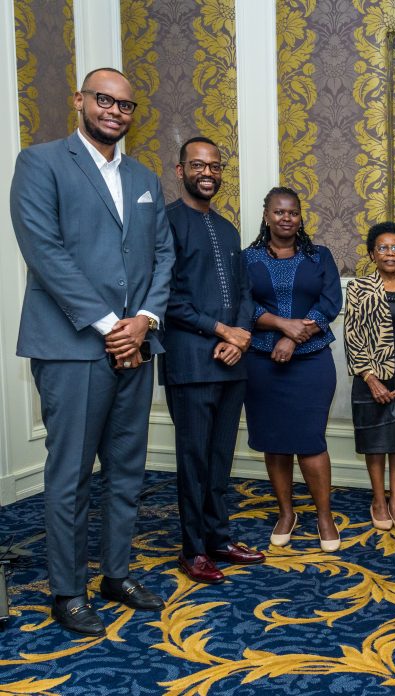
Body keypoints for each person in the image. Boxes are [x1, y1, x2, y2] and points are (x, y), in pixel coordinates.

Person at [10, 67, 174, 635]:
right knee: (72, 474)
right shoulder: (41, 162)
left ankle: (116, 574)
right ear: (79, 99)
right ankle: (67, 589)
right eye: (105, 100)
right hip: (73, 348)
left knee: (127, 471)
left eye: (126, 106)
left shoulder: (145, 176)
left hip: (137, 344)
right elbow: (46, 252)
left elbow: (162, 257)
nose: (115, 112)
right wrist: (112, 326)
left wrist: (145, 321)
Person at [161, 137, 265, 585]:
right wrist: (221, 331)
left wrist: (239, 338)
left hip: (232, 361)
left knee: (222, 457)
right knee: (194, 460)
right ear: (180, 170)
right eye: (199, 165)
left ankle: (219, 538)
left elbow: (244, 293)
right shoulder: (164, 223)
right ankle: (193, 549)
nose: (209, 173)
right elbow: (167, 298)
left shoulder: (227, 228)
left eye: (216, 166)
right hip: (190, 362)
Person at [243, 187, 342, 552]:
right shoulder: (247, 259)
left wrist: (295, 336)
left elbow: (331, 301)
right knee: (275, 442)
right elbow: (243, 304)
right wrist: (282, 326)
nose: (287, 218)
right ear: (267, 215)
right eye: (279, 212)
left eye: (293, 212)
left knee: (310, 440)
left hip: (312, 360)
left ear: (301, 217)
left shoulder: (320, 257)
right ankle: (287, 513)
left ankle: (324, 516)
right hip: (262, 362)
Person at [343, 222, 395, 531]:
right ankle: (379, 500)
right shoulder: (359, 288)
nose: (389, 253)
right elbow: (352, 336)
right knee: (376, 444)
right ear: (372, 254)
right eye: (383, 248)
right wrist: (370, 378)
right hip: (372, 378)